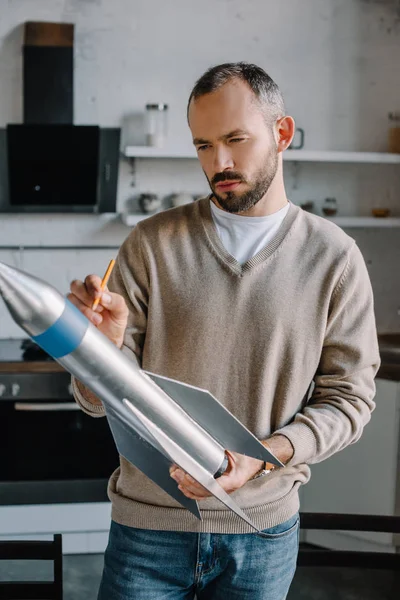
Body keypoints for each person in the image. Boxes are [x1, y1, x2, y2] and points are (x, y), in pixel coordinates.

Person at [69, 62, 380, 600]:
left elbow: (349, 401)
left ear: (282, 134)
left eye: (236, 139)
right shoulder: (150, 244)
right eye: (203, 146)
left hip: (262, 532)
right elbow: (98, 403)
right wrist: (100, 348)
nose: (220, 162)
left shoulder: (335, 258)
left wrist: (263, 455)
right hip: (148, 529)